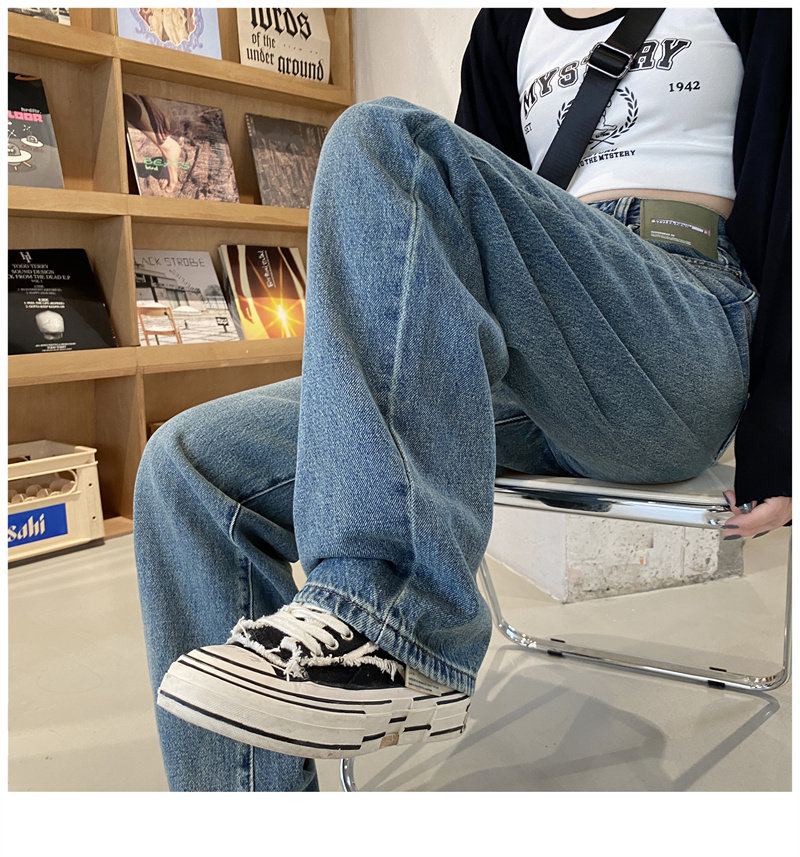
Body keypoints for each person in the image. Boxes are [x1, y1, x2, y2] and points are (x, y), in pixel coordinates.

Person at [134, 8, 790, 791]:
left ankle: (391, 623)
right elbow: (456, 226)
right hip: (538, 347)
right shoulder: (507, 27)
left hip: (679, 318)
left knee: (387, 138)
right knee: (187, 463)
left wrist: (783, 437)